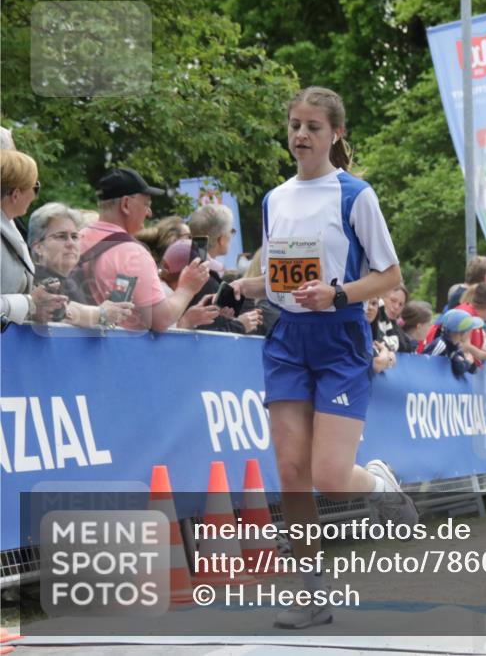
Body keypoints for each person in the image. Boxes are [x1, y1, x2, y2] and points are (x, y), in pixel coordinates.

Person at [229, 86, 416, 629]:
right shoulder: (273, 198)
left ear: (335, 134)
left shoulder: (355, 194)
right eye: (293, 125)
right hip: (288, 340)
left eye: (312, 126)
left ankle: (379, 482)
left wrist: (336, 295)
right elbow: (279, 276)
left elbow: (389, 277)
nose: (300, 135)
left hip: (339, 338)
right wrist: (247, 285)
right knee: (290, 472)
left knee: (330, 478)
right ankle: (310, 594)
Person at [77, 167, 210, 331]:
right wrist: (187, 288)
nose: (149, 213)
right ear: (126, 204)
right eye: (146, 205)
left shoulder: (75, 238)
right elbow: (161, 320)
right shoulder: (132, 252)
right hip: (117, 352)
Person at [26, 202, 134, 328]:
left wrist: (113, 310)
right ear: (38, 247)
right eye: (61, 236)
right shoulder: (33, 278)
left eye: (75, 236)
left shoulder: (75, 280)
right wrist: (102, 313)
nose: (70, 243)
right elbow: (59, 312)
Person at [1, 151, 68, 327]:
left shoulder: (9, 226)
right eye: (35, 187)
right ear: (16, 194)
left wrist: (39, 306)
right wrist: (29, 302)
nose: (36, 194)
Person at [186, 203, 262, 334]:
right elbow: (207, 334)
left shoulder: (191, 266)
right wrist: (240, 325)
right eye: (231, 231)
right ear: (221, 239)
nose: (232, 236)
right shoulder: (203, 277)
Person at [421, 308, 481, 377]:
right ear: (462, 333)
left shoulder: (455, 347)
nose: (471, 333)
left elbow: (473, 370)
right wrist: (468, 361)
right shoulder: (441, 344)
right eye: (469, 330)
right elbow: (424, 365)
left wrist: (468, 362)